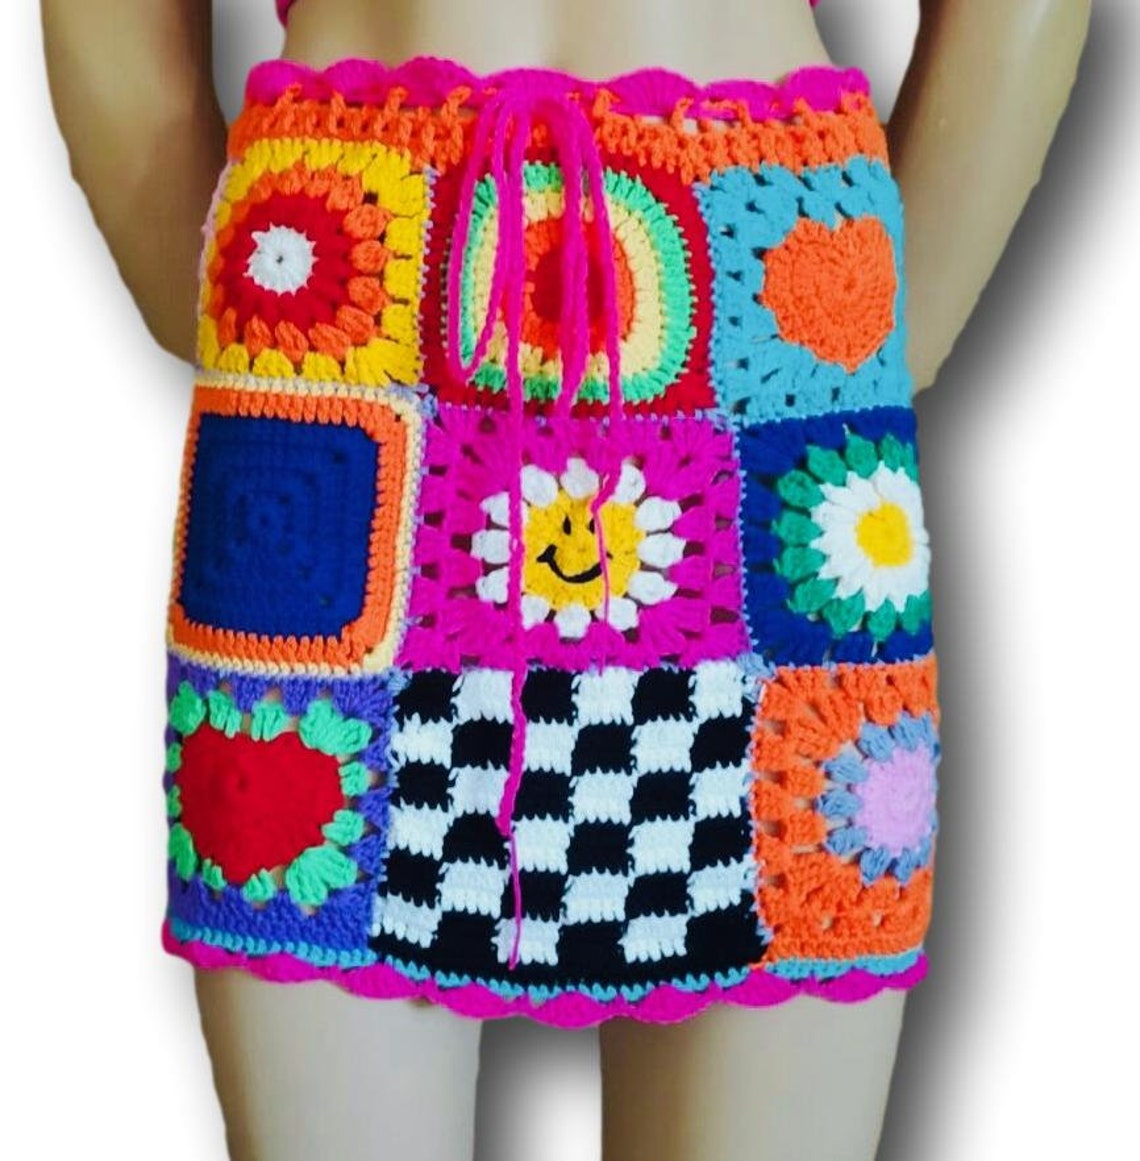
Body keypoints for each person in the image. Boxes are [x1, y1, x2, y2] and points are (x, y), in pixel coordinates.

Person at [41, 2, 1089, 1159]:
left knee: (798, 893)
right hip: (380, 298)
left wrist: (856, 328)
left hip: (712, 295)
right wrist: (871, 331)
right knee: (307, 863)